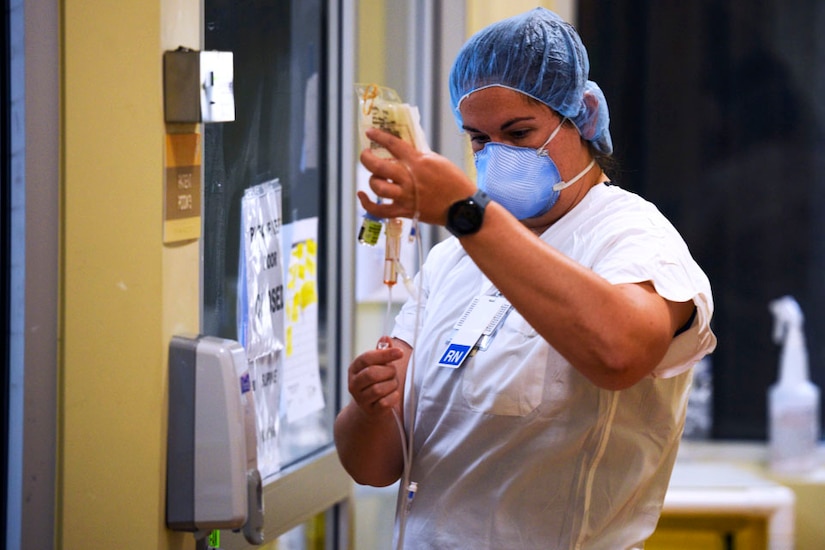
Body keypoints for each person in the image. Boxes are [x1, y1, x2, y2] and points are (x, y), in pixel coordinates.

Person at [334, 7, 717, 549]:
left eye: (518, 132)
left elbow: (619, 353)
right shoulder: (452, 261)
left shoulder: (633, 239)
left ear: (581, 119)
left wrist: (466, 211)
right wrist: (368, 406)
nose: (498, 156)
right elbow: (374, 468)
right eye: (479, 140)